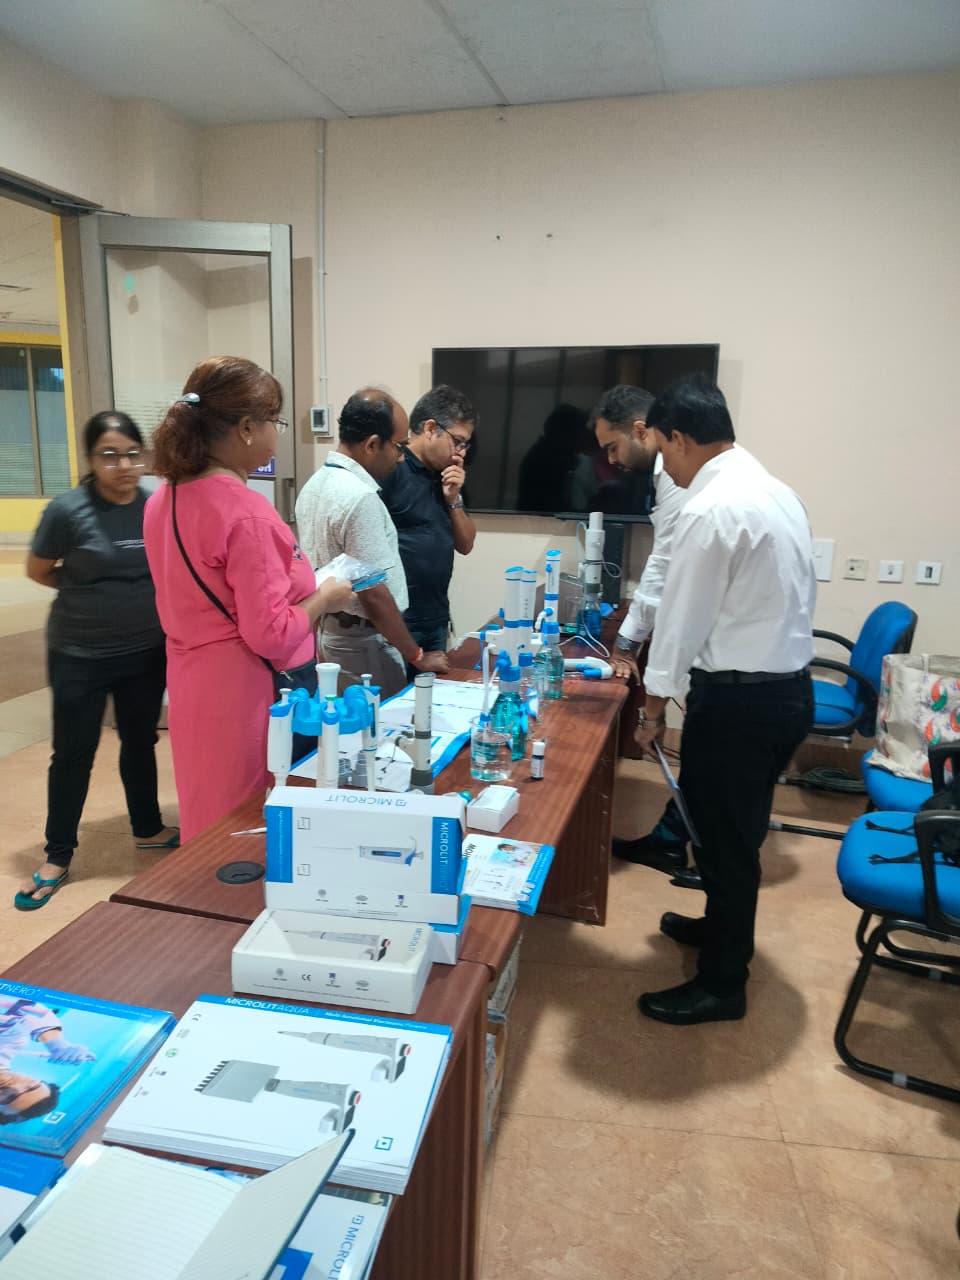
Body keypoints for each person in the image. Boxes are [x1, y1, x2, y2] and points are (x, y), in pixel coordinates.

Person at [633, 374, 815, 1025]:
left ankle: (722, 983)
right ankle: (719, 929)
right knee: (730, 833)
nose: (665, 466)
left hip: (740, 707)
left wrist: (653, 708)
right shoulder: (777, 491)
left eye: (663, 449)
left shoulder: (709, 509)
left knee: (725, 844)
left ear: (681, 439)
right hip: (785, 694)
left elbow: (681, 619)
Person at [144, 356, 354, 842]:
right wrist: (324, 597)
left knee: (206, 812)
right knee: (247, 826)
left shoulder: (162, 499)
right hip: (244, 695)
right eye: (274, 422)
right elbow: (271, 634)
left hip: (191, 685)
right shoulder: (246, 513)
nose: (275, 434)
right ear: (245, 428)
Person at [16, 411, 179, 911]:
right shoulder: (67, 511)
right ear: (90, 459)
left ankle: (147, 827)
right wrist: (91, 594)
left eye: (132, 454)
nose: (124, 466)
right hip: (79, 653)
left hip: (144, 651)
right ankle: (57, 856)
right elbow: (39, 570)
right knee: (73, 753)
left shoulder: (154, 505)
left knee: (140, 740)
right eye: (109, 455)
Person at [592, 385, 692, 875]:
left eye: (613, 447)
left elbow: (662, 570)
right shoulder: (680, 472)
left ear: (639, 429)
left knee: (708, 765)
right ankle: (673, 840)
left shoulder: (677, 475)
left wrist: (627, 646)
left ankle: (680, 845)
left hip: (733, 662)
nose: (611, 461)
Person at [295, 388, 448, 698]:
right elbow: (374, 594)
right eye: (399, 446)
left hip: (331, 634)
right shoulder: (359, 497)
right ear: (372, 444)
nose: (402, 456)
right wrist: (417, 656)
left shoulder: (313, 485)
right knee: (381, 725)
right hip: (365, 644)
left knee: (345, 722)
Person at [379, 385, 477, 665]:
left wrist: (454, 499)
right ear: (430, 428)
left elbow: (466, 544)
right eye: (457, 441)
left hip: (436, 618)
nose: (460, 452)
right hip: (398, 622)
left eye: (465, 444)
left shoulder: (449, 475)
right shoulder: (391, 467)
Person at [0, 995, 95, 1127]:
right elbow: (18, 1004)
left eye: (8, 1098)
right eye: (31, 1086)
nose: (14, 1086)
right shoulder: (10, 1041)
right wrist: (56, 1043)